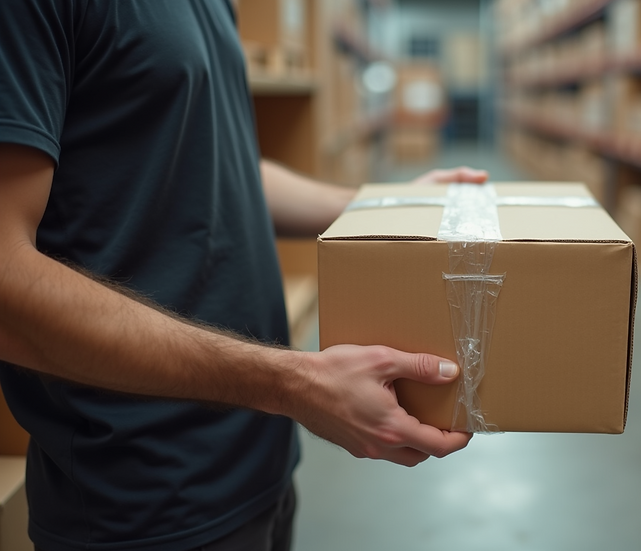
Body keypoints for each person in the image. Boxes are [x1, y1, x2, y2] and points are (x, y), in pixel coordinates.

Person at [0, 1, 482, 550]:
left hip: (258, 460)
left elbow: (217, 161)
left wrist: (380, 205)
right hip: (143, 499)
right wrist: (294, 384)